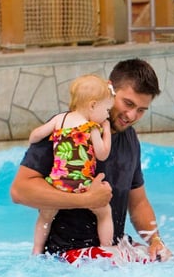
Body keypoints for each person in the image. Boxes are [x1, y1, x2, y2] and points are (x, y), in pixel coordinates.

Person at [10, 58, 173, 263]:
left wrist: (155, 240)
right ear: (109, 90)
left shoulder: (130, 139)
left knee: (165, 259)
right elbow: (20, 191)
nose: (132, 115)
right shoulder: (67, 130)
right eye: (128, 103)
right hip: (67, 253)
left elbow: (138, 202)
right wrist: (85, 200)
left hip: (112, 248)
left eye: (141, 110)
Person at [26, 74, 115, 255]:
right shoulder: (91, 127)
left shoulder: (60, 119)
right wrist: (106, 131)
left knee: (45, 217)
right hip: (82, 185)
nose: (108, 115)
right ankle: (106, 249)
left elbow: (34, 136)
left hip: (57, 184)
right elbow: (102, 154)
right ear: (92, 105)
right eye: (107, 110)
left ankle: (37, 250)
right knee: (105, 212)